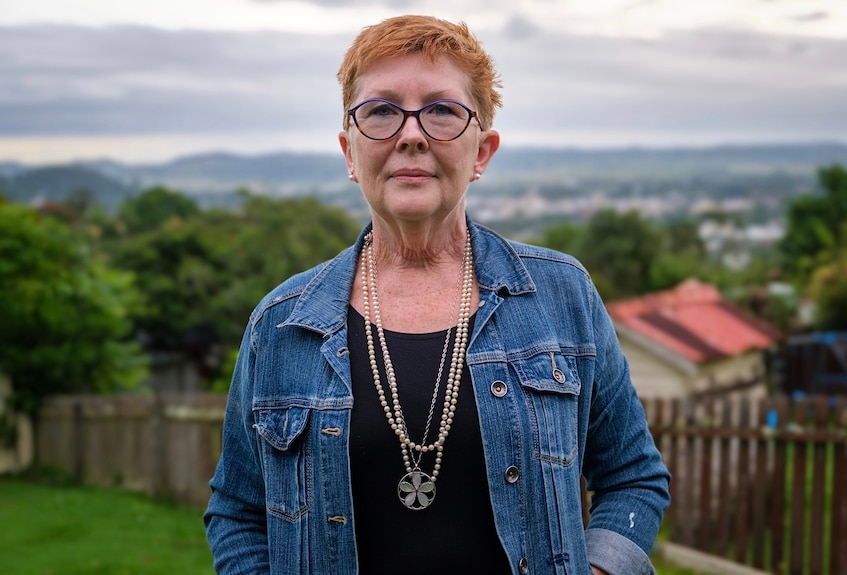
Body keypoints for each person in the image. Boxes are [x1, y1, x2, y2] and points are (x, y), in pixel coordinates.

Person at [204, 14, 670, 575]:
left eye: (442, 111)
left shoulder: (562, 296)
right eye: (380, 110)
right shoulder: (281, 325)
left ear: (482, 152)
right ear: (350, 152)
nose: (411, 134)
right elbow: (237, 511)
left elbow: (632, 477)